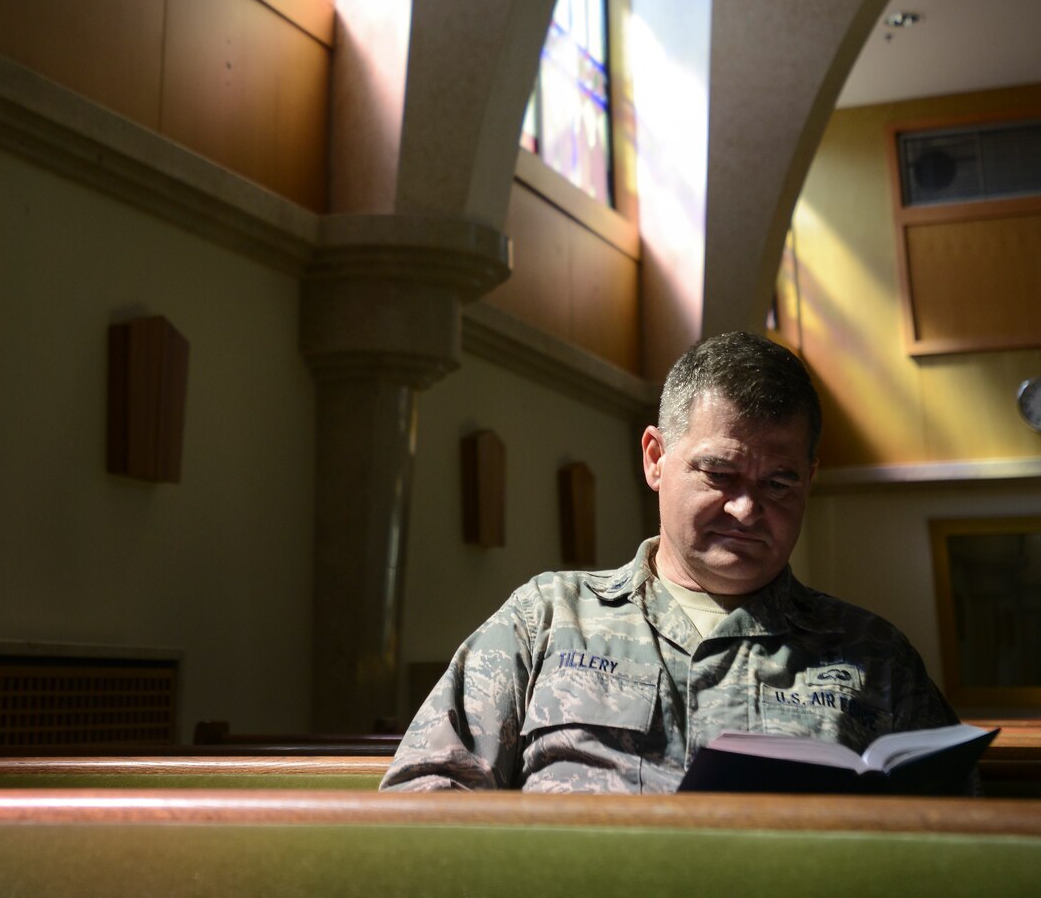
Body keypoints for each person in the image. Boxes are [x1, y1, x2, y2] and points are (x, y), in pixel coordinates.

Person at [381, 330, 959, 792]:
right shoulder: (548, 618)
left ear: (809, 479)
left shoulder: (873, 655)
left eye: (779, 482)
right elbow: (426, 792)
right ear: (656, 459)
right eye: (719, 473)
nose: (747, 508)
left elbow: (958, 840)